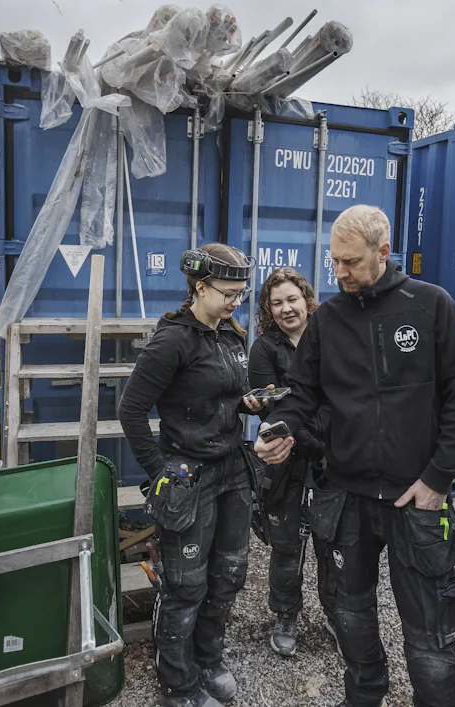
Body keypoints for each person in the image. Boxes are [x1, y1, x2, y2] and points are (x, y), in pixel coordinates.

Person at [254, 204, 455, 707]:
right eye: (334, 261)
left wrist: (438, 479)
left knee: (430, 637)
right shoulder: (327, 320)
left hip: (415, 498)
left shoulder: (431, 305)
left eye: (351, 262)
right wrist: (278, 427)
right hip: (346, 498)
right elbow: (301, 392)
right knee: (351, 618)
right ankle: (364, 697)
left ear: (383, 252)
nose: (340, 272)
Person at [119, 243, 268, 707]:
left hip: (232, 472)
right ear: (200, 287)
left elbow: (225, 395)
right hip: (189, 477)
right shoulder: (172, 341)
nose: (235, 302)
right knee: (186, 586)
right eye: (228, 293)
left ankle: (208, 659)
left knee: (229, 575)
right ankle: (178, 684)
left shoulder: (231, 336)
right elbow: (131, 411)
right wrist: (160, 472)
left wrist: (249, 403)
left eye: (241, 294)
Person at [247, 267, 327, 657]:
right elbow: (274, 412)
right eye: (276, 303)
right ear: (269, 309)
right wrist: (318, 450)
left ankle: (339, 614)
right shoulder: (264, 348)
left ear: (306, 300)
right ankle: (286, 615)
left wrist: (334, 451)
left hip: (334, 458)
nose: (286, 308)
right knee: (287, 544)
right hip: (288, 459)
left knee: (335, 541)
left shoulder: (329, 337)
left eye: (292, 299)